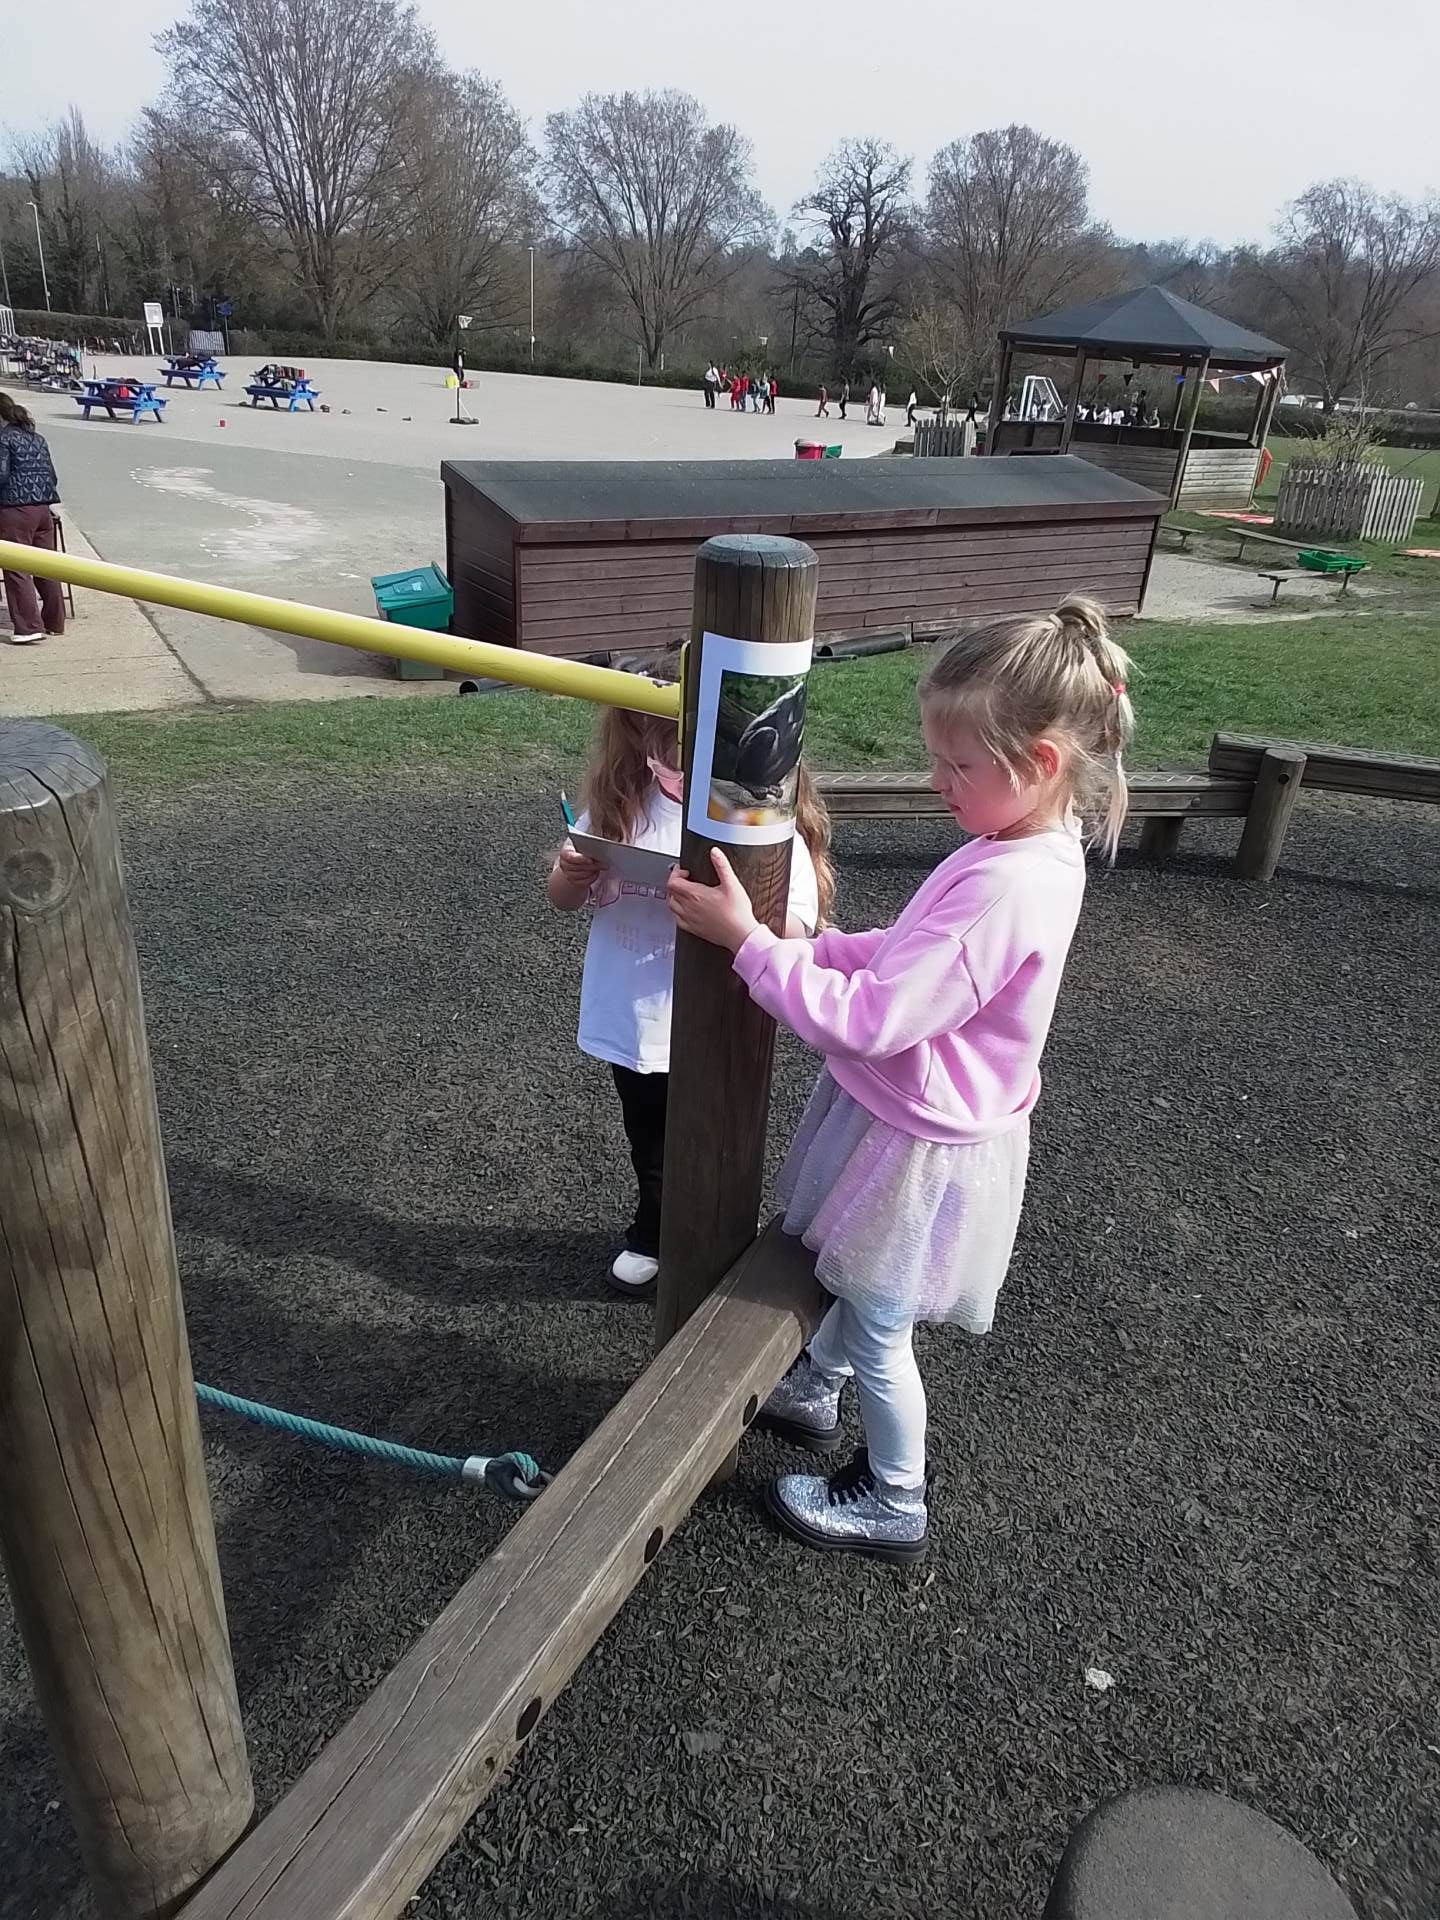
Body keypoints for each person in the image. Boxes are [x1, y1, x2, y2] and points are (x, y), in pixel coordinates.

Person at [668, 596, 1134, 1561]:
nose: (936, 782)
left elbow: (873, 1021)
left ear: (1041, 761)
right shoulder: (1029, 847)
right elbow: (912, 946)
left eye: (957, 766)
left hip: (919, 1144)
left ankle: (894, 1498)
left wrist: (751, 946)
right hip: (928, 1117)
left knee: (880, 1322)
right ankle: (814, 1387)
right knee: (857, 1284)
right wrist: (816, 945)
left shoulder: (1005, 884)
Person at [547, 661, 835, 1295]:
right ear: (638, 740)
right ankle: (653, 1231)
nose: (673, 768)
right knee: (650, 1135)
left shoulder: (754, 811)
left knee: (717, 1132)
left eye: (691, 753)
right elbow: (563, 896)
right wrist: (571, 874)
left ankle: (719, 1236)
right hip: (636, 1011)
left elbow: (798, 924)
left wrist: (732, 919)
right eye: (661, 749)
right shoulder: (622, 805)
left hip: (719, 1010)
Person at [0, 391, 65, 645]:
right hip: (43, 509)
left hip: (14, 510)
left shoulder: (3, 439)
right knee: (45, 565)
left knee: (16, 567)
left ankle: (28, 627)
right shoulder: (37, 438)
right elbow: (52, 476)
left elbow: (1, 475)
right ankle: (54, 621)